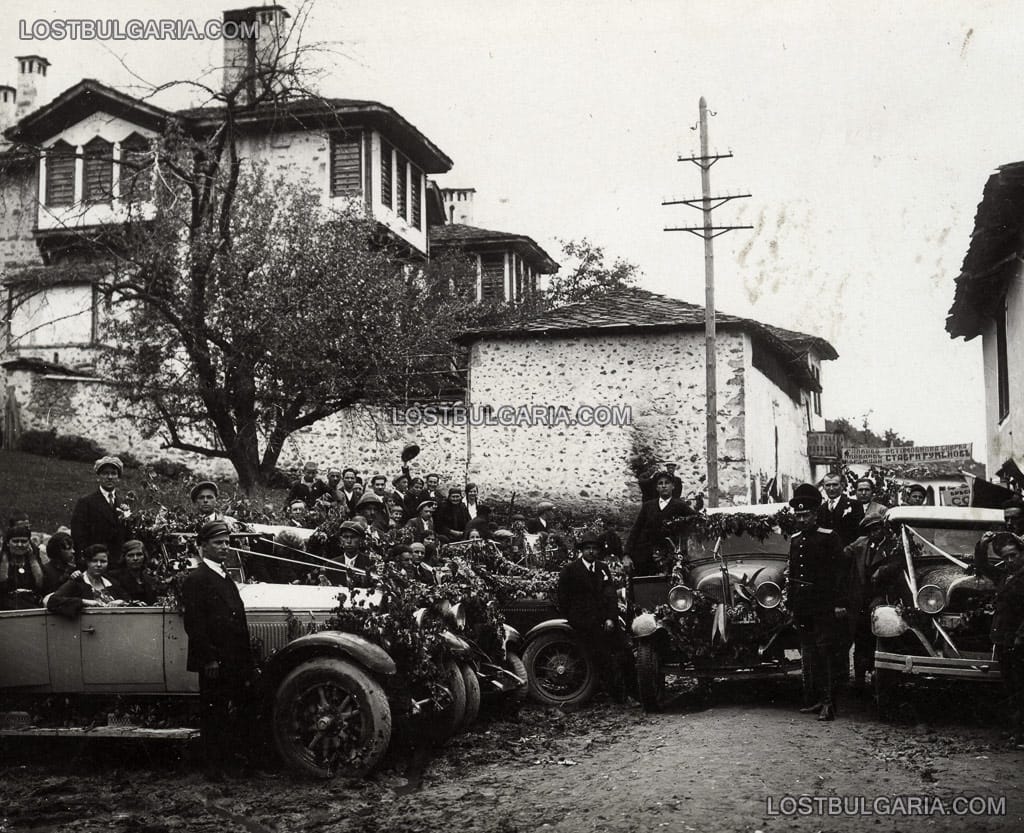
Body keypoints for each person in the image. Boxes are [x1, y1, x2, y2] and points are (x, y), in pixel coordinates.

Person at [181, 520, 256, 779]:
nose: (225, 547)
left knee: (234, 710)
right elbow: (194, 624)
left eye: (227, 542)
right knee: (214, 713)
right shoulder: (197, 579)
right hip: (215, 660)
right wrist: (209, 659)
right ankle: (215, 768)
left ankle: (234, 762)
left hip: (234, 657)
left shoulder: (225, 577)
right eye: (218, 543)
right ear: (203, 547)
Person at [786, 483, 847, 721]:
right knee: (809, 653)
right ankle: (816, 699)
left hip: (824, 604)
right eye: (798, 515)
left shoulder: (829, 537)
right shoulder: (795, 539)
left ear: (815, 515)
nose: (801, 520)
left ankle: (829, 704)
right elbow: (793, 575)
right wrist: (791, 605)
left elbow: (840, 572)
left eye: (805, 515)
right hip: (803, 606)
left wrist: (839, 602)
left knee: (826, 653)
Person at [557, 530, 626, 702]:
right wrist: (576, 619)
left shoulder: (602, 568)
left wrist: (611, 618)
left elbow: (610, 595)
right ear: (581, 550)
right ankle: (613, 695)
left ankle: (632, 691)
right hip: (584, 624)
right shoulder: (570, 570)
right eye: (587, 548)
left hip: (605, 620)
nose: (591, 552)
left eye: (594, 548)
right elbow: (563, 598)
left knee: (625, 651)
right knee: (600, 656)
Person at [975, 532, 1024, 747]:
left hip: (1018, 640)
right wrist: (983, 544)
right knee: (1011, 686)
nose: (1010, 560)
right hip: (1005, 639)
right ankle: (1015, 729)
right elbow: (983, 567)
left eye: (1014, 556)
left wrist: (1020, 637)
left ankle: (1020, 734)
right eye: (1006, 557)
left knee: (1020, 687)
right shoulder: (1006, 575)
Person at [842, 508, 889, 690]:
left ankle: (877, 676)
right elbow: (844, 553)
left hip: (881, 599)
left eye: (878, 529)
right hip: (860, 600)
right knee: (859, 638)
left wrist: (882, 570)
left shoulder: (892, 545)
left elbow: (898, 563)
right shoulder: (861, 544)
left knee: (876, 639)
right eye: (871, 530)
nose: (875, 533)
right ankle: (859, 680)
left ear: (884, 529)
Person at [624, 472, 696, 576]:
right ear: (657, 488)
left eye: (667, 483)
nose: (663, 486)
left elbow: (695, 521)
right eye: (660, 483)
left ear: (673, 486)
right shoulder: (648, 507)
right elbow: (636, 530)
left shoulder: (680, 506)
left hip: (671, 559)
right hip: (647, 559)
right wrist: (626, 554)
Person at [69, 455, 128, 568]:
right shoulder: (86, 502)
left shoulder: (123, 503)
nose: (109, 477)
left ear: (118, 477)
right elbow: (78, 535)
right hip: (95, 562)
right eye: (105, 473)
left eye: (113, 473)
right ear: (98, 476)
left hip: (117, 563)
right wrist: (83, 561)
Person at [47, 544, 128, 617]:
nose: (99, 565)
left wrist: (121, 601)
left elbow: (129, 600)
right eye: (94, 561)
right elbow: (53, 602)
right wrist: (83, 602)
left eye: (103, 561)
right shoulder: (78, 582)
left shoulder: (111, 582)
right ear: (87, 562)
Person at [0, 524, 46, 609]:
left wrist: (33, 559)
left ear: (29, 543)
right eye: (15, 541)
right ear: (7, 543)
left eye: (24, 541)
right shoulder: (2, 561)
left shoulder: (34, 560)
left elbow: (40, 584)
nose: (20, 545)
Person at [818, 472, 864, 546]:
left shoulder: (854, 505)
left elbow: (859, 532)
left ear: (842, 486)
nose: (831, 488)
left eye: (835, 485)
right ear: (823, 487)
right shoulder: (820, 509)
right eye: (828, 485)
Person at [110, 539, 161, 604]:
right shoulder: (114, 577)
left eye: (139, 554)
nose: (135, 558)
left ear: (144, 556)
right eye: (130, 555)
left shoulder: (149, 579)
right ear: (124, 557)